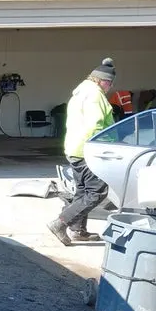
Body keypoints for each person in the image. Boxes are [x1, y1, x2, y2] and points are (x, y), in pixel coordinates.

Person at [47, 58, 116, 246]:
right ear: (102, 80)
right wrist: (111, 143)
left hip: (74, 148)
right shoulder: (95, 95)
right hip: (89, 150)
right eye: (109, 83)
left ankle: (78, 230)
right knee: (97, 192)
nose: (110, 87)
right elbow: (97, 126)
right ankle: (61, 223)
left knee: (83, 190)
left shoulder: (80, 93)